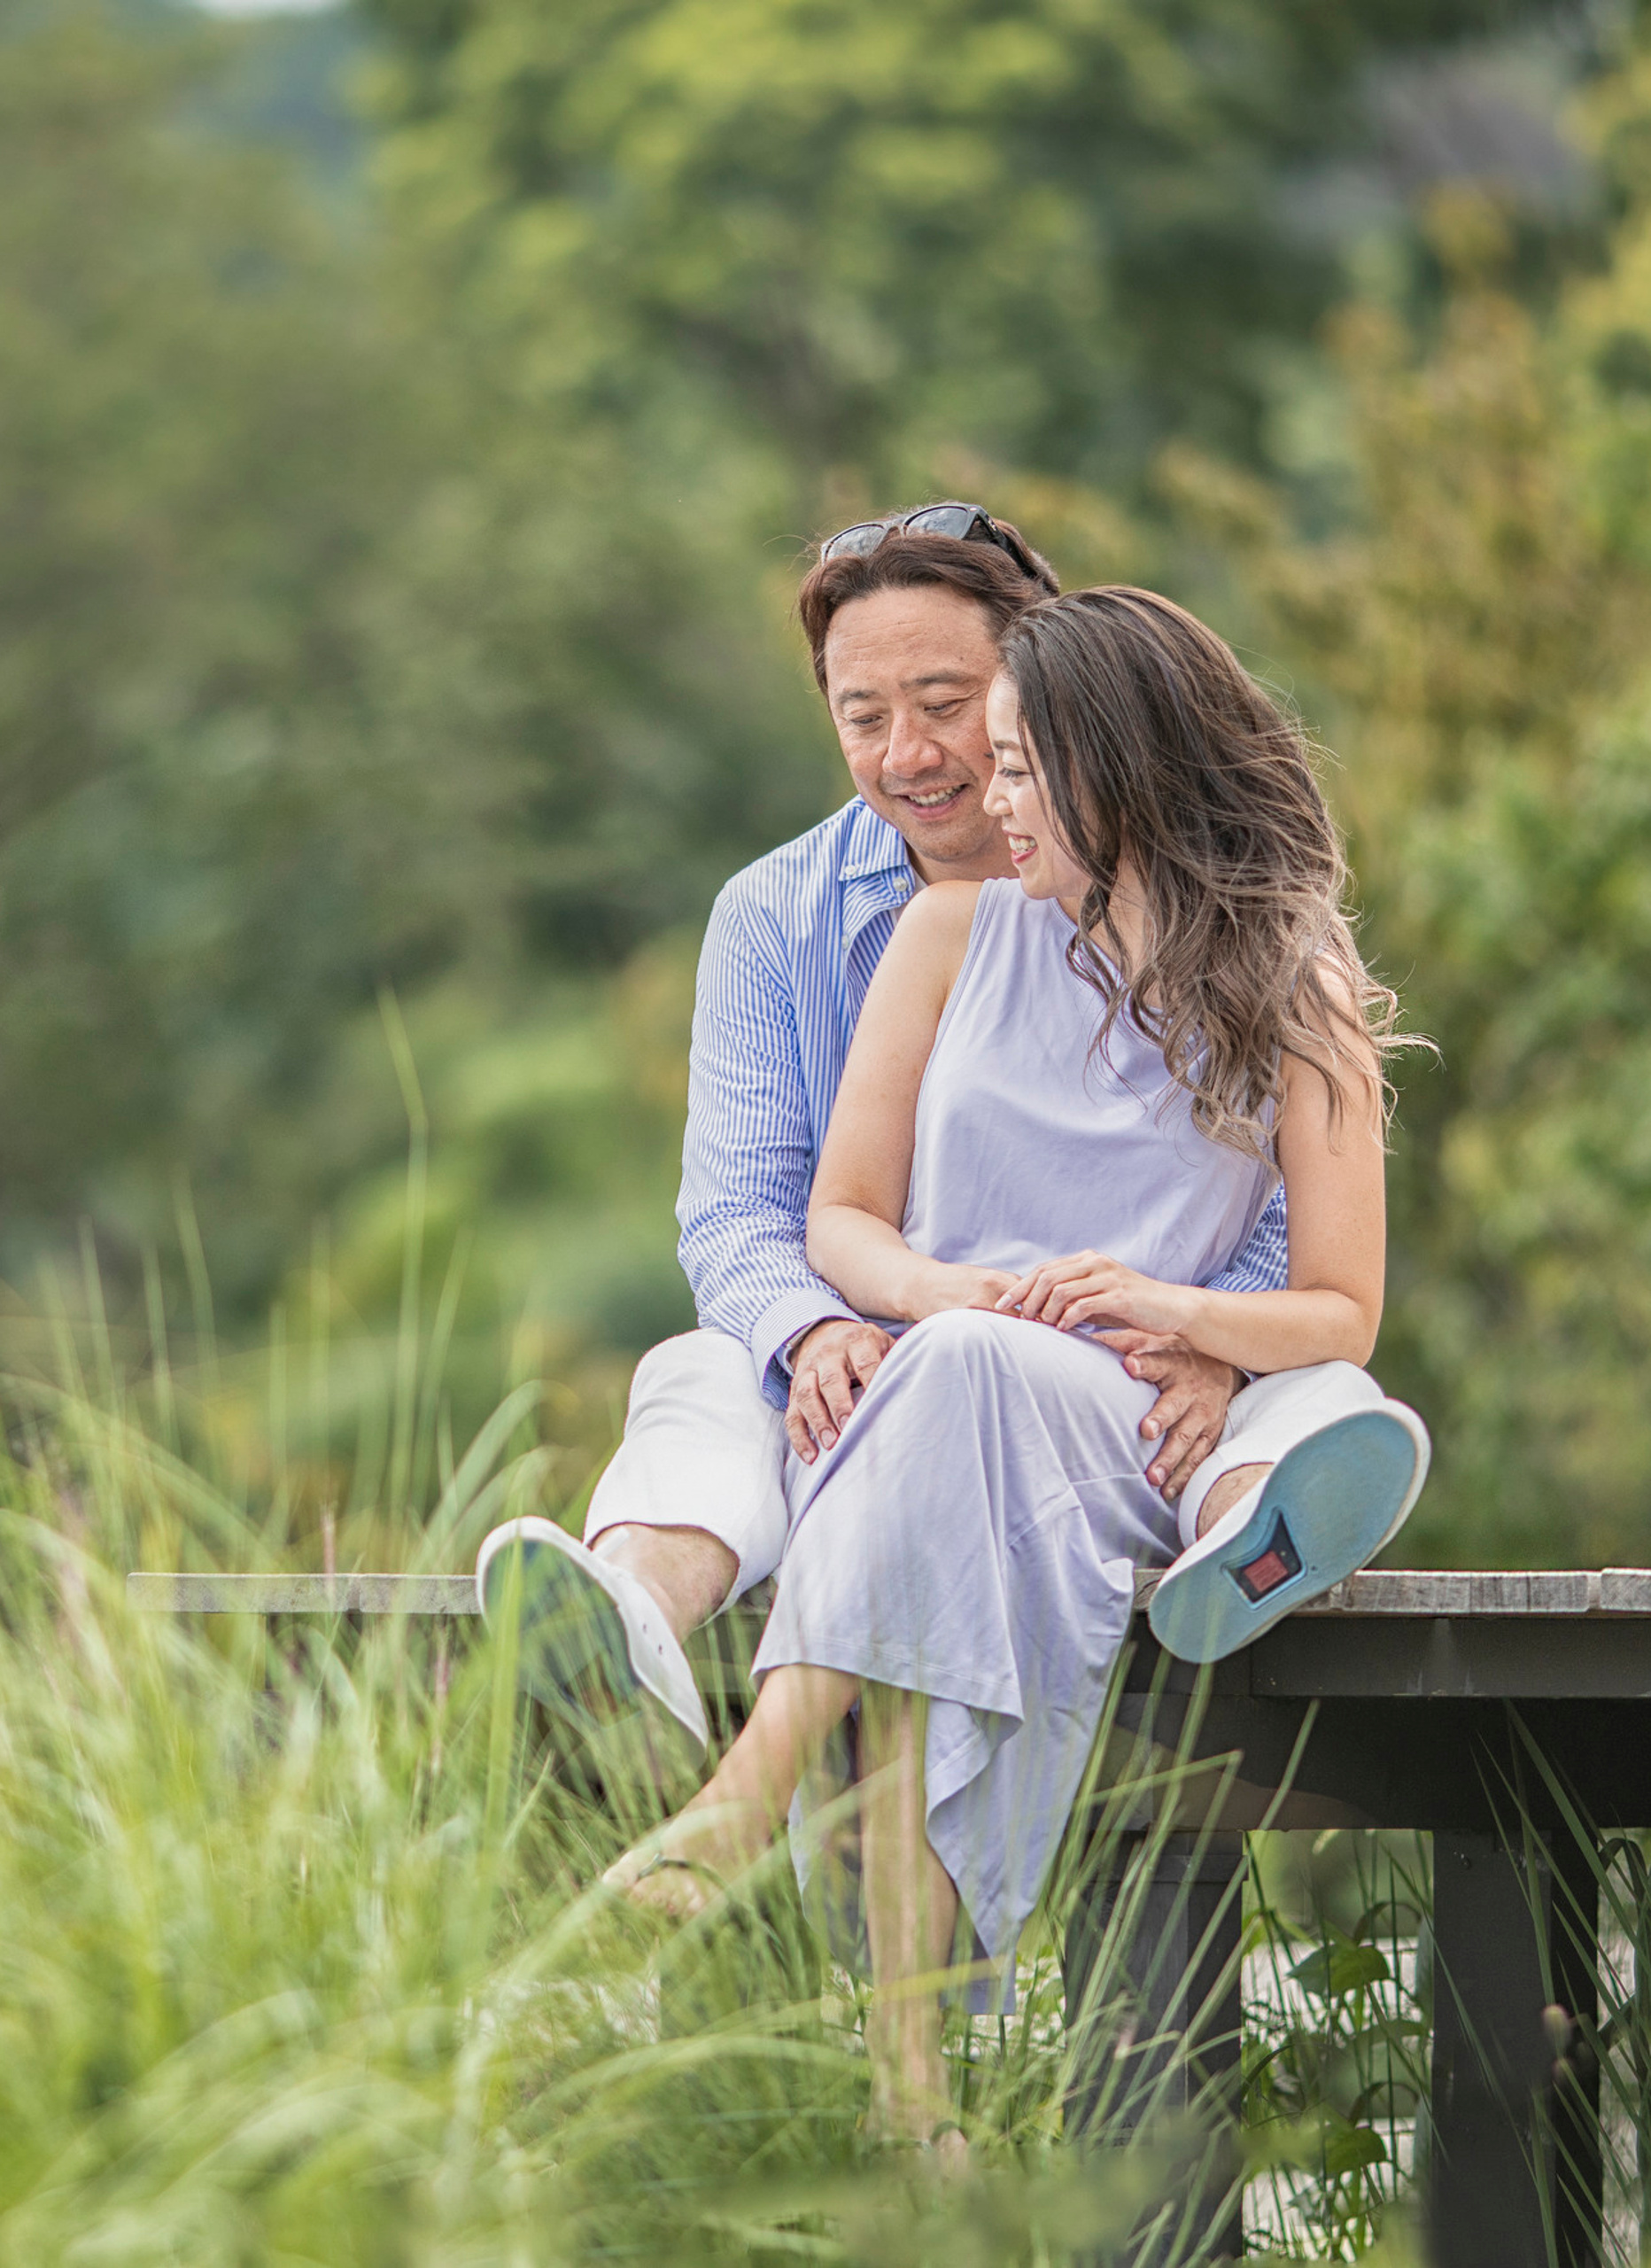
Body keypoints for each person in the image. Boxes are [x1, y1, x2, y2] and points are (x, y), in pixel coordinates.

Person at [601, 587, 1428, 2139]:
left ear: (1127, 773)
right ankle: (916, 2106)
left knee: (965, 1401)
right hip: (934, 1387)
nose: (989, 803)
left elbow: (1339, 1312)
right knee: (949, 1420)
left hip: (1116, 1416)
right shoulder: (946, 930)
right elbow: (840, 1217)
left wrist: (1173, 1316)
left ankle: (745, 1799)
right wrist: (944, 1288)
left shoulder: (1296, 989)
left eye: (1024, 770)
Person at [476, 508, 1370, 1770]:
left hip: (1109, 1360)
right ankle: (624, 1618)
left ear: (1045, 693)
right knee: (698, 1375)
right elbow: (741, 1208)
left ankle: (1242, 1529)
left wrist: (1197, 1336)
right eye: (862, 715)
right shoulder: (776, 916)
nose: (913, 754)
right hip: (877, 1345)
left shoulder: (1209, 920)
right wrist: (816, 1329)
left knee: (1310, 1393)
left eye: (951, 704)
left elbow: (1285, 1201)